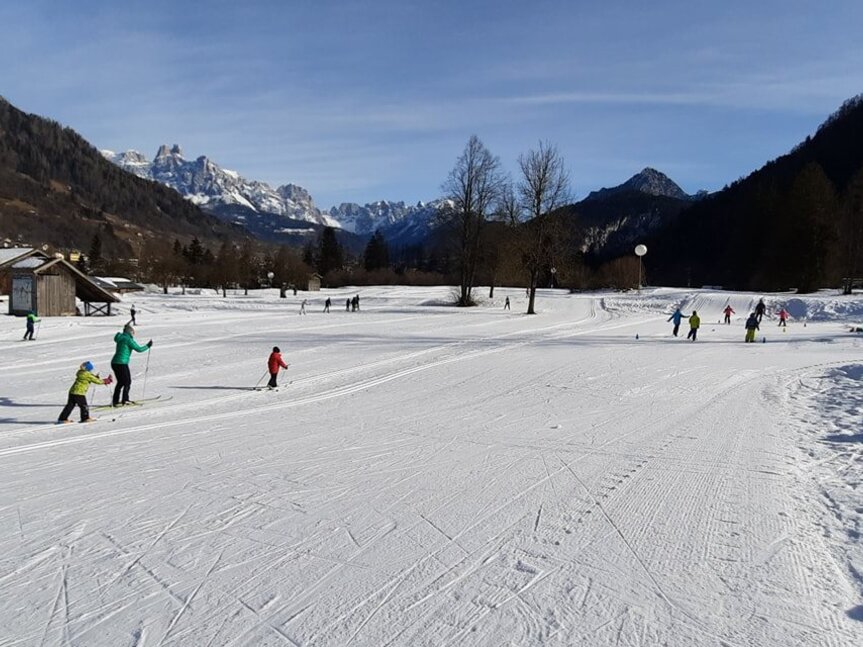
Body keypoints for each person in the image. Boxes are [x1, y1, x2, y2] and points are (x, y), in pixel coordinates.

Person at [111, 323, 152, 407]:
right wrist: (148, 346)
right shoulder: (128, 339)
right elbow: (139, 349)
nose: (133, 334)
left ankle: (115, 401)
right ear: (130, 332)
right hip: (122, 363)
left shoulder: (120, 338)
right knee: (127, 381)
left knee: (120, 382)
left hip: (114, 362)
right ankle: (125, 400)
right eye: (133, 332)